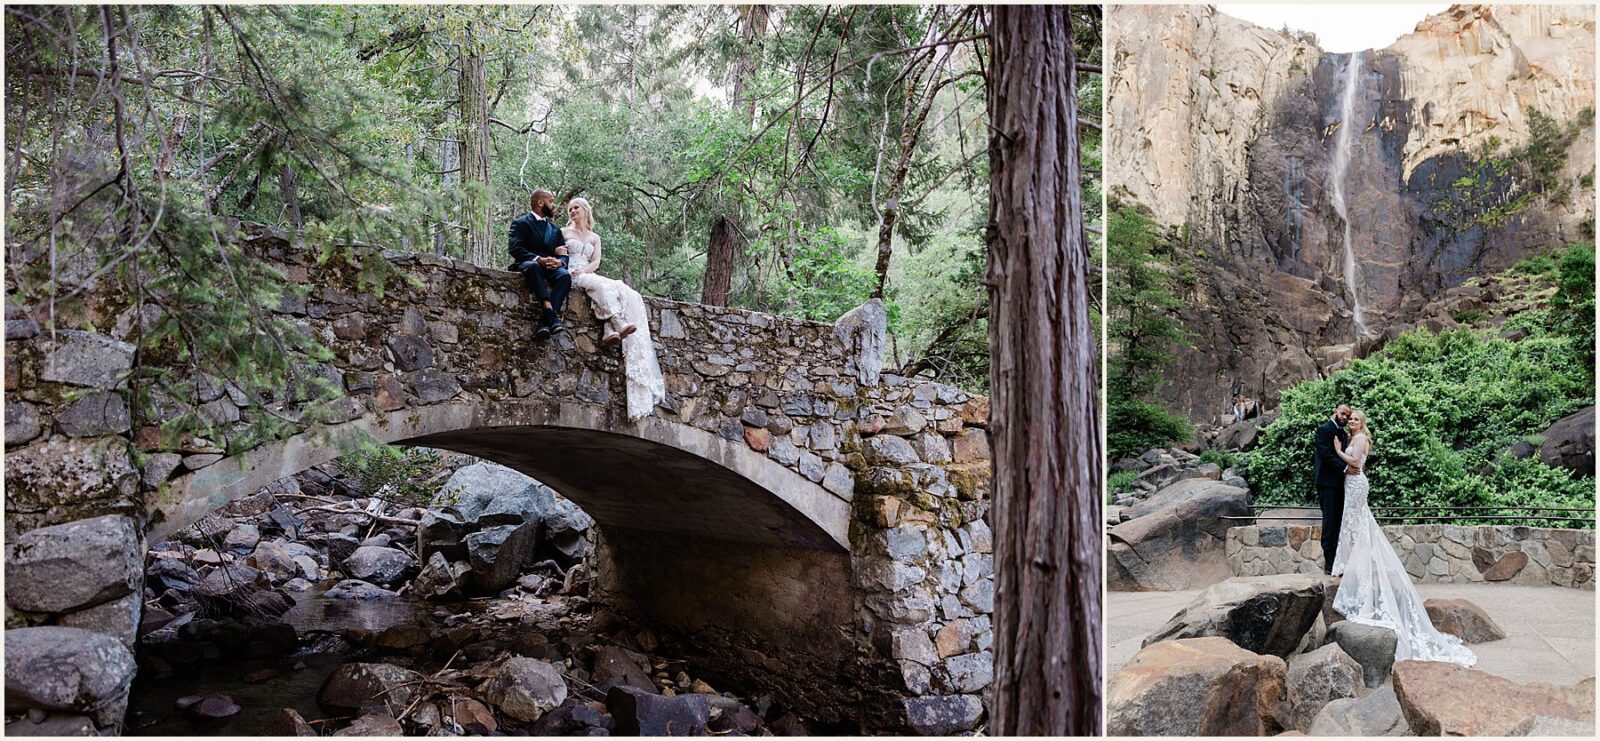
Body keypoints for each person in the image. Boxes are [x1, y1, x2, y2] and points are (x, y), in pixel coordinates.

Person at [1330, 410, 1476, 665]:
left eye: (1355, 419)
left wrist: (1338, 452)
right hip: (1351, 485)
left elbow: (1355, 465)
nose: (1352, 421)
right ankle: (1349, 561)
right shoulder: (1354, 438)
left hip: (1356, 483)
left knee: (1358, 524)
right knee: (1352, 524)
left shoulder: (1361, 438)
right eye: (1350, 418)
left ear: (1362, 422)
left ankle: (1355, 562)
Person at [559, 197, 665, 421]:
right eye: (570, 209)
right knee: (601, 286)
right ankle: (617, 322)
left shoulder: (594, 237)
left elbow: (596, 262)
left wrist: (585, 270)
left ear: (585, 210)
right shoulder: (563, 232)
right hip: (570, 274)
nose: (572, 211)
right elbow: (557, 252)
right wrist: (568, 265)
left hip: (586, 272)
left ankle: (610, 333)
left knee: (615, 288)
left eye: (576, 207)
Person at [508, 189, 571, 339]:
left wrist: (560, 263)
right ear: (540, 203)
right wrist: (537, 258)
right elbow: (515, 248)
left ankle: (545, 323)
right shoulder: (521, 223)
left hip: (550, 267)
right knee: (534, 266)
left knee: (565, 277)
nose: (553, 205)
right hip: (528, 264)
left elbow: (564, 254)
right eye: (551, 201)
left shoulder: (554, 229)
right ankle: (549, 310)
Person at [1314, 404, 1353, 572]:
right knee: (1329, 522)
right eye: (1342, 413)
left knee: (1337, 521)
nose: (1344, 417)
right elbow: (1325, 454)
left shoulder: (1343, 434)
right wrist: (1344, 468)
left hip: (1340, 484)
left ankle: (1337, 560)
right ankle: (1329, 562)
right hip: (1326, 483)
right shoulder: (1324, 429)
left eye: (1347, 415)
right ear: (1335, 411)